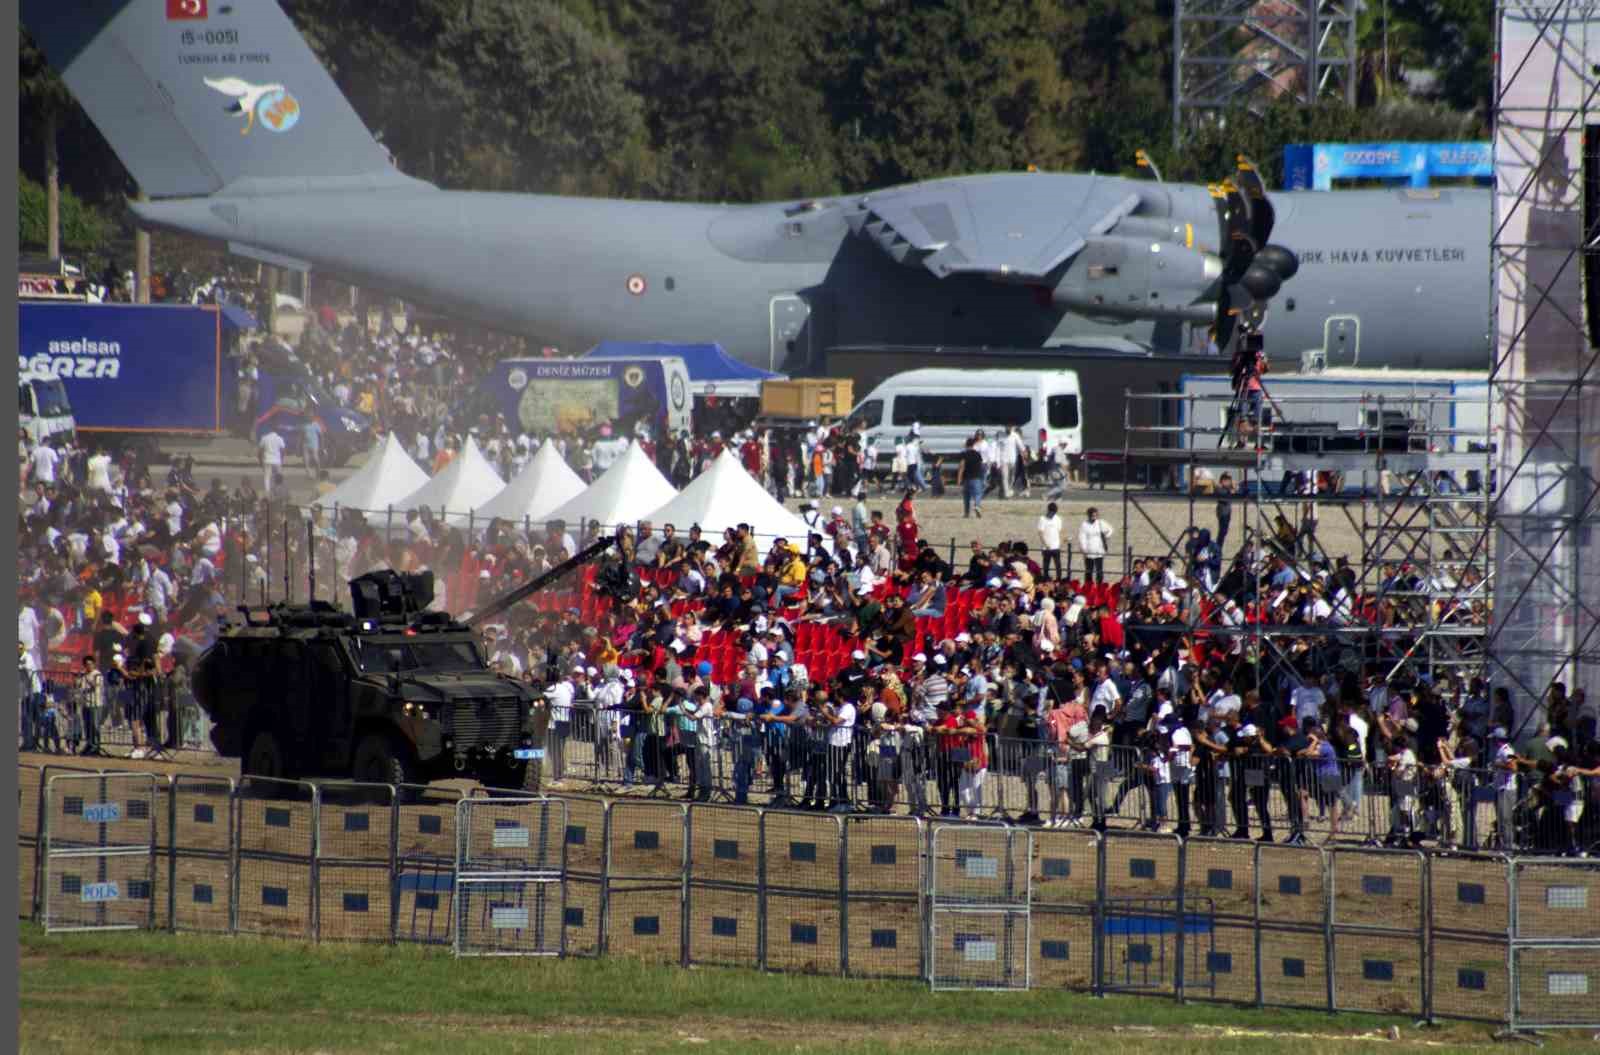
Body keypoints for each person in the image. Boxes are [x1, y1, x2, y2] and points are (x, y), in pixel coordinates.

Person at [1078, 507, 1112, 584]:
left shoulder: (1101, 523)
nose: (1094, 517)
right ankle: (1088, 587)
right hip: (1089, 552)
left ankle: (1099, 586)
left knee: (1099, 571)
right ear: (1089, 515)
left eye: (1095, 515)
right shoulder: (1084, 525)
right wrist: (1083, 549)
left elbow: (1110, 530)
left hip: (1099, 551)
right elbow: (1082, 537)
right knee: (1089, 571)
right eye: (1092, 516)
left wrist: (1106, 536)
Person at [956, 437, 985, 519]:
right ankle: (977, 505)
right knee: (978, 494)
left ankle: (966, 513)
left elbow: (961, 466)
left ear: (966, 444)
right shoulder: (978, 454)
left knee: (966, 497)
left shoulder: (964, 454)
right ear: (974, 444)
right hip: (976, 478)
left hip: (966, 479)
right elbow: (981, 467)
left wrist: (959, 479)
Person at [1037, 502, 1064, 581]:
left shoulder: (1058, 519)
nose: (1052, 514)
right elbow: (1040, 533)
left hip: (1056, 546)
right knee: (1046, 566)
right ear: (1048, 510)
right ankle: (1045, 579)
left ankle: (1058, 579)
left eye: (1054, 512)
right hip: (1046, 547)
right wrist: (1045, 544)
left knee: (1058, 565)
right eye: (1051, 512)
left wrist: (1060, 543)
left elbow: (1060, 532)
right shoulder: (1042, 519)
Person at [257, 427, 286, 499]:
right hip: (277, 460)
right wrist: (282, 459)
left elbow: (260, 451)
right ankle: (278, 490)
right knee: (278, 477)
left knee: (267, 477)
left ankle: (267, 492)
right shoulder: (279, 438)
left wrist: (260, 460)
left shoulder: (264, 438)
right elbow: (283, 450)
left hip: (267, 459)